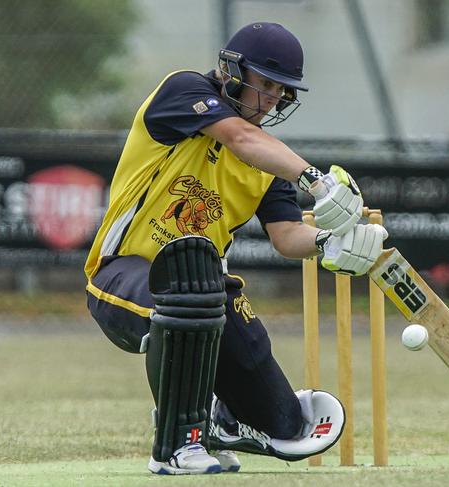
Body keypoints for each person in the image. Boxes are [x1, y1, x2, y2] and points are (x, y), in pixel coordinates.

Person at [84, 21, 387, 475]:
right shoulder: (183, 91)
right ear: (231, 69)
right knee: (186, 296)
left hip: (207, 292)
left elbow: (287, 238)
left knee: (285, 426)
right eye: (263, 85)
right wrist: (315, 180)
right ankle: (176, 444)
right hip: (122, 274)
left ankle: (221, 421)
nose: (269, 101)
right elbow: (238, 138)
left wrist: (330, 244)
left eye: (280, 92)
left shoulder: (268, 161)